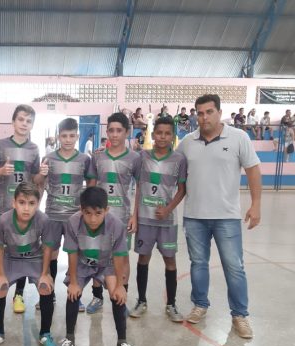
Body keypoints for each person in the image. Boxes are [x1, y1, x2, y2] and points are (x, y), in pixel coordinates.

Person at [177, 94, 261, 339]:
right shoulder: (187, 142)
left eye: (209, 112)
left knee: (234, 267)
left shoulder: (239, 138)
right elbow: (171, 166)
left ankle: (240, 315)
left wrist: (256, 204)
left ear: (219, 112)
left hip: (227, 216)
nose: (204, 117)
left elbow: (253, 170)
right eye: (200, 113)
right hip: (194, 216)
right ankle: (200, 304)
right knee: (198, 263)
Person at [0, 104, 46, 314]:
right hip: (3, 209)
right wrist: (0, 171)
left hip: (24, 211)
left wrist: (42, 173)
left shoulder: (34, 149)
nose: (24, 124)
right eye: (21, 119)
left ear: (32, 125)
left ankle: (19, 295)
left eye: (28, 121)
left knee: (22, 250)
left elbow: (34, 180)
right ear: (13, 121)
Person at [58, 186, 137, 346]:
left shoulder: (116, 225)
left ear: (106, 210)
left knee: (117, 295)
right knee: (73, 292)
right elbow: (72, 253)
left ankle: (122, 341)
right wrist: (73, 281)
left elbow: (119, 256)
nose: (93, 219)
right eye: (88, 213)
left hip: (106, 263)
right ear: (81, 210)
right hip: (82, 263)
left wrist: (120, 285)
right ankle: (69, 337)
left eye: (98, 213)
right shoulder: (73, 222)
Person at [0, 182, 56, 346]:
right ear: (14, 203)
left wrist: (45, 273)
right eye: (22, 202)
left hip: (34, 259)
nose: (26, 208)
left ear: (37, 204)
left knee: (46, 287)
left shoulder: (43, 220)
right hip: (11, 258)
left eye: (31, 203)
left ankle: (45, 334)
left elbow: (47, 248)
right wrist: (1, 274)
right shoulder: (3, 220)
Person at [129, 116, 187, 322]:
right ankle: (141, 301)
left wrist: (168, 209)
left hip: (167, 222)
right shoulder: (142, 157)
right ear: (153, 135)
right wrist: (134, 215)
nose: (162, 137)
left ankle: (171, 304)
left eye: (167, 133)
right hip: (145, 219)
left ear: (172, 136)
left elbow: (182, 189)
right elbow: (137, 187)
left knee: (169, 260)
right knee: (143, 258)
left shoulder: (179, 160)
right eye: (159, 133)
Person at [86, 112, 141, 315]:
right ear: (107, 132)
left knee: (122, 258)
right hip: (99, 218)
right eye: (111, 130)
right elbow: (91, 185)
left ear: (127, 132)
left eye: (119, 130)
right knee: (97, 256)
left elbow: (140, 188)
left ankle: (122, 297)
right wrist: (88, 213)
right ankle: (97, 296)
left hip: (123, 217)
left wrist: (135, 216)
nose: (115, 134)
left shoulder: (135, 158)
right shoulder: (98, 156)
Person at [37, 118, 91, 311]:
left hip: (75, 217)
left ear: (77, 136)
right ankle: (48, 294)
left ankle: (75, 294)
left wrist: (86, 210)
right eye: (64, 136)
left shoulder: (84, 159)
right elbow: (39, 183)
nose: (68, 140)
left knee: (75, 254)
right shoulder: (49, 158)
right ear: (58, 137)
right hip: (52, 214)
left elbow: (91, 185)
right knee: (50, 253)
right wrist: (41, 174)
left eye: (71, 136)